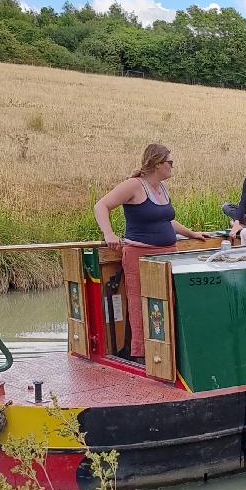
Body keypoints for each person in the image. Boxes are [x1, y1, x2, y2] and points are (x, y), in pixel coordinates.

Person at [94, 144, 205, 362]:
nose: (173, 167)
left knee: (168, 302)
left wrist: (192, 234)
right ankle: (143, 356)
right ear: (157, 163)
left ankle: (168, 352)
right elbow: (101, 205)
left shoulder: (162, 188)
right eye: (170, 163)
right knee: (140, 304)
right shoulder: (134, 186)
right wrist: (109, 234)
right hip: (140, 256)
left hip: (168, 256)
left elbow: (167, 220)